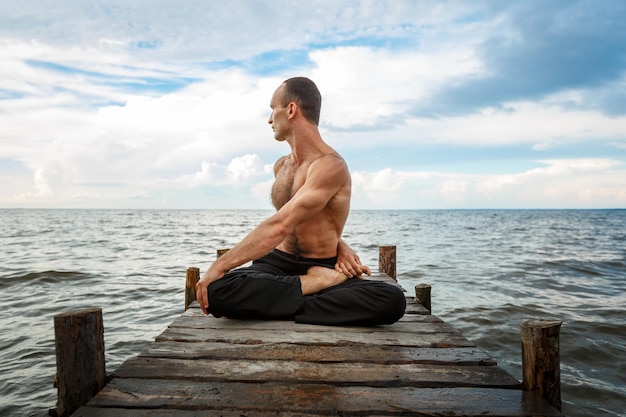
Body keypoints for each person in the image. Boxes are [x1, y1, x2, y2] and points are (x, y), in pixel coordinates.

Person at [195, 77, 406, 326]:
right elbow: (297, 220)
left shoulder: (330, 165)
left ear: (291, 109)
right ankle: (313, 287)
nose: (270, 119)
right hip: (278, 264)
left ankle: (277, 301)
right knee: (217, 291)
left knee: (391, 300)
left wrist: (219, 265)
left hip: (321, 264)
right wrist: (340, 245)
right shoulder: (281, 167)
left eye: (273, 108)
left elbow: (281, 224)